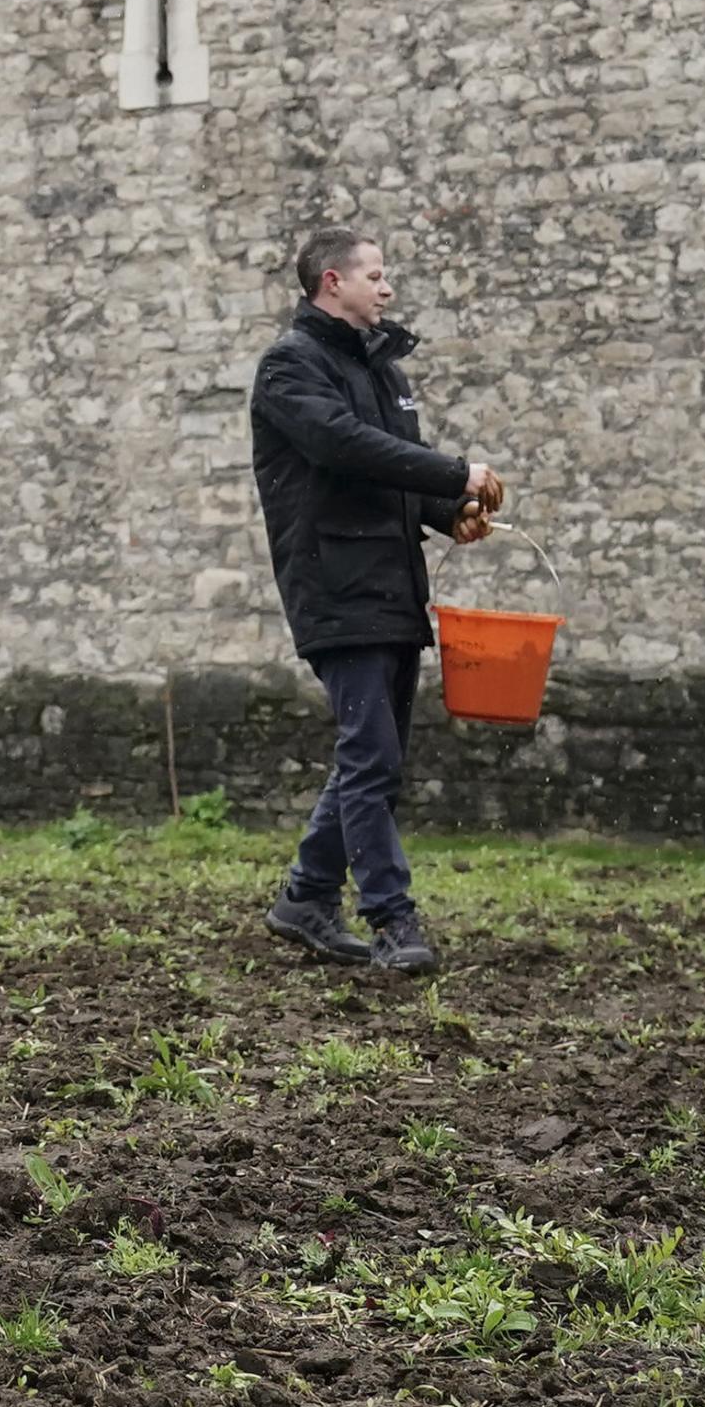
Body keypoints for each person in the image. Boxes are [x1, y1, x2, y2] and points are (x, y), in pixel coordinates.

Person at [248, 225, 500, 978]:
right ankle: (391, 917)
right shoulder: (290, 368)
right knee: (373, 755)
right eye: (376, 275)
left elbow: (384, 474)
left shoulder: (383, 371)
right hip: (335, 583)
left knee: (374, 757)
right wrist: (457, 472)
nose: (387, 288)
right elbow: (340, 448)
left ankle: (306, 898)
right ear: (333, 282)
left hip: (392, 583)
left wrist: (442, 514)